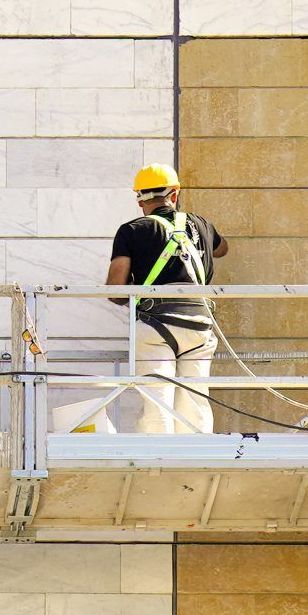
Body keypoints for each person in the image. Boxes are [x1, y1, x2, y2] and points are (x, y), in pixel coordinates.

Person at [102, 163, 229, 433]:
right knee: (195, 401)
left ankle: (158, 464)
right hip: (198, 324)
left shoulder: (132, 230)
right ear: (174, 194)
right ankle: (197, 464)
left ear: (139, 200)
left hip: (156, 325)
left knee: (157, 401)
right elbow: (221, 249)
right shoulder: (202, 225)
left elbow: (115, 290)